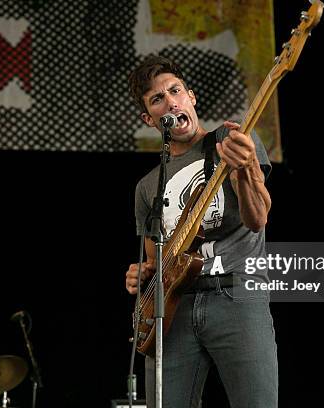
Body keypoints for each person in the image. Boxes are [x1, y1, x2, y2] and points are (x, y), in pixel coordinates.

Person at [125, 55, 277, 407]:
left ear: (191, 97)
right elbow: (154, 262)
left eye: (175, 90)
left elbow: (258, 219)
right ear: (149, 118)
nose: (170, 101)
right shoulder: (147, 187)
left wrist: (245, 167)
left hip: (236, 295)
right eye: (157, 99)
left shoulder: (234, 139)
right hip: (174, 308)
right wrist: (141, 274)